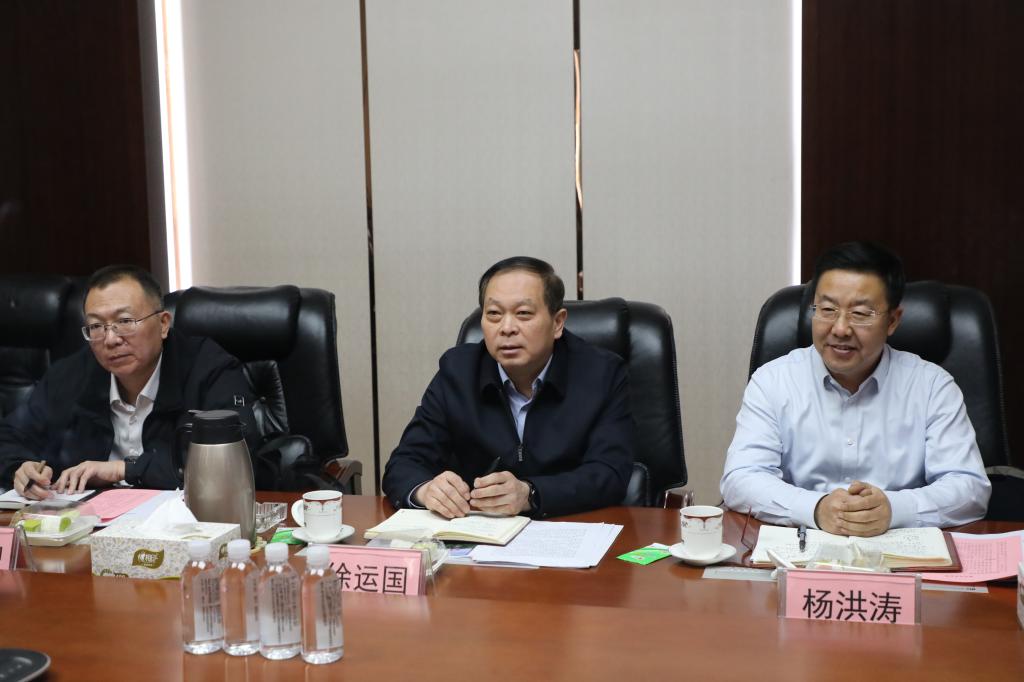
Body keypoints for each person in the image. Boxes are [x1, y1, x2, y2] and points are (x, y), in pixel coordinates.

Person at [721, 241, 990, 536]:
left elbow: (969, 488)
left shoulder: (932, 387)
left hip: (898, 550)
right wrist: (816, 508)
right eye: (827, 309)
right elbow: (741, 478)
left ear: (893, 321)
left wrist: (894, 509)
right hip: (800, 547)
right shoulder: (773, 381)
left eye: (860, 314)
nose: (840, 329)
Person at [382, 256, 634, 519]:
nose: (507, 328)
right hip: (478, 532)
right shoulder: (458, 372)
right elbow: (405, 462)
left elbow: (610, 472)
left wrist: (531, 494)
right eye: (494, 314)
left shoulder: (602, 374)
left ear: (558, 322)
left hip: (572, 526)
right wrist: (426, 490)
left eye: (523, 314)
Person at [0, 265, 265, 498]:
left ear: (163, 324)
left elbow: (232, 460)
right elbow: (10, 436)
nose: (110, 339)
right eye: (96, 326)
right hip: (93, 525)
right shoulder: (70, 375)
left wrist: (123, 469)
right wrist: (19, 467)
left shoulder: (209, 369)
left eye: (125, 321)